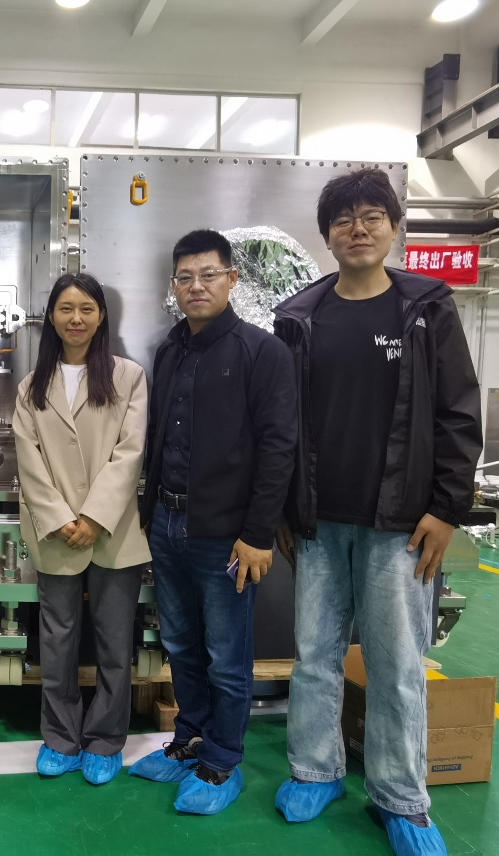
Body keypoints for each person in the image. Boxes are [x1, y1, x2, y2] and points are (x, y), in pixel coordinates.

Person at [271, 169, 482, 856]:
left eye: (371, 217)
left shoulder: (425, 309)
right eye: (343, 219)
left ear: (393, 228)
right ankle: (315, 770)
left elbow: (458, 412)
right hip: (319, 522)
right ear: (327, 235)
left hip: (401, 525)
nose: (357, 229)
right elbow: (282, 422)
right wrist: (284, 508)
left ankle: (401, 799)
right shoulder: (299, 317)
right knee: (314, 657)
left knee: (395, 665)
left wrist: (447, 508)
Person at [129, 229, 297, 815]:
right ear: (174, 286)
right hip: (168, 524)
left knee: (227, 654)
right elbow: (158, 439)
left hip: (227, 537)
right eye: (185, 277)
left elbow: (279, 448)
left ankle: (223, 759)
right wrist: (150, 520)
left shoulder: (262, 352)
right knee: (180, 643)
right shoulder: (170, 351)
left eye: (208, 275)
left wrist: (257, 534)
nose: (195, 286)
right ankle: (190, 740)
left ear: (232, 279)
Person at [13, 272, 151, 786]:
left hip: (112, 529)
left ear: (101, 317)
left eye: (86, 309)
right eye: (66, 309)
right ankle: (60, 738)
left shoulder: (127, 377)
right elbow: (29, 461)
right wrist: (60, 517)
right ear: (51, 317)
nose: (76, 318)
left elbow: (130, 452)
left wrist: (93, 517)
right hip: (55, 532)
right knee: (57, 641)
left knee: (115, 642)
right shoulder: (32, 386)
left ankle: (106, 740)